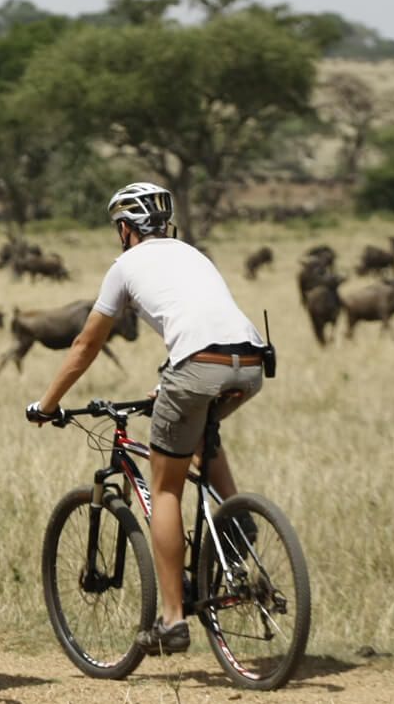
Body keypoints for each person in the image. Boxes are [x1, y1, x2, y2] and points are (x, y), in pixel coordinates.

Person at [25, 182, 268, 655]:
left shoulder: (125, 266)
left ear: (124, 228)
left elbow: (86, 345)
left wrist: (47, 404)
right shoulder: (193, 253)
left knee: (166, 488)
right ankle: (237, 522)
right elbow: (206, 318)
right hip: (251, 361)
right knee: (198, 435)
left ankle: (173, 619)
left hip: (197, 366)